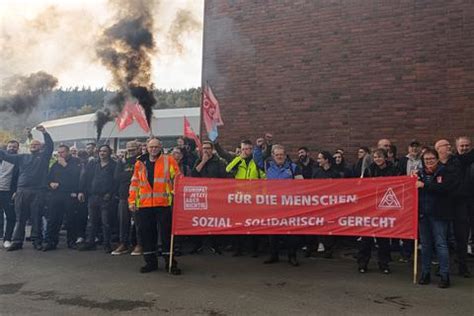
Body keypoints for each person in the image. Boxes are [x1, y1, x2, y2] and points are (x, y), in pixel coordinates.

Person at [129, 138, 181, 274]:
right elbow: (134, 184)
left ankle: (170, 263)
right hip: (145, 205)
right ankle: (150, 262)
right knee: (147, 235)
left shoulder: (168, 160)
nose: (153, 149)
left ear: (160, 147)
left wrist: (175, 193)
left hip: (163, 204)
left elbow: (177, 178)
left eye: (156, 147)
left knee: (166, 235)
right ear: (146, 147)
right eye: (151, 147)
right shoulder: (140, 163)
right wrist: (132, 201)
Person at [0, 125, 53, 251]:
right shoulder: (22, 157)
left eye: (37, 144)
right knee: (20, 218)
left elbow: (50, 146)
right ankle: (17, 241)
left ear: (41, 147)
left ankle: (37, 241)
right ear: (29, 147)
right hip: (22, 191)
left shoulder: (44, 157)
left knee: (36, 217)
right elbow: (5, 156)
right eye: (32, 144)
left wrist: (45, 133)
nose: (34, 145)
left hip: (38, 191)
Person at [254, 144, 303, 266]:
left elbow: (302, 184)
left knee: (291, 233)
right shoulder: (268, 165)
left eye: (281, 154)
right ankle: (273, 255)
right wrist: (258, 147)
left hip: (289, 205)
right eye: (277, 155)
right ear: (273, 156)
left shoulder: (293, 167)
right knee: (272, 232)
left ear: (285, 155)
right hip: (273, 204)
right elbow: (256, 159)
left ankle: (292, 256)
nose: (280, 157)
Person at [417, 148, 458, 288]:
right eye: (426, 159)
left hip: (439, 214)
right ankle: (425, 273)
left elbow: (445, 188)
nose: (429, 162)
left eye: (431, 159)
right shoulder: (419, 174)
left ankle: (444, 275)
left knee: (441, 244)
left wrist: (424, 185)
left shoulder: (445, 171)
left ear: (437, 159)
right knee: (425, 245)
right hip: (423, 214)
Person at [357, 148, 399, 274]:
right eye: (375, 157)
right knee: (366, 238)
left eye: (380, 156)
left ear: (385, 157)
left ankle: (384, 264)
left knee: (384, 239)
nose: (377, 159)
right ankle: (362, 263)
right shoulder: (369, 170)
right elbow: (363, 187)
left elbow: (399, 184)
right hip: (370, 207)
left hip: (386, 207)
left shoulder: (394, 169)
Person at [226, 139, 265, 257]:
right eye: (243, 149)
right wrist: (239, 158)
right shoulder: (238, 161)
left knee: (254, 225)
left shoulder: (256, 162)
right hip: (240, 199)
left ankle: (255, 249)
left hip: (253, 199)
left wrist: (261, 196)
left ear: (251, 149)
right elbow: (227, 169)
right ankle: (238, 249)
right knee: (238, 225)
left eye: (247, 149)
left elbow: (264, 178)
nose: (245, 151)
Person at [190, 141, 228, 254]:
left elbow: (224, 177)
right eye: (204, 148)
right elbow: (193, 175)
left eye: (208, 148)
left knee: (214, 221)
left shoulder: (219, 162)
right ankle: (198, 245)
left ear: (212, 150)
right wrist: (203, 162)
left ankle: (215, 245)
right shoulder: (198, 161)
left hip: (215, 196)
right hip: (201, 196)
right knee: (199, 221)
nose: (206, 150)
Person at [78, 145, 117, 253]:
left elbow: (116, 181)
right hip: (92, 196)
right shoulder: (93, 164)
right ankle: (90, 242)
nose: (102, 153)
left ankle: (107, 244)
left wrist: (110, 193)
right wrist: (81, 191)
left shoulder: (114, 165)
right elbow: (85, 177)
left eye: (105, 151)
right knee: (91, 221)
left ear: (109, 152)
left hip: (106, 197)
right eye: (100, 151)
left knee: (106, 222)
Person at [43, 145, 82, 251]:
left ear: (68, 152)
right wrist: (50, 183)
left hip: (70, 194)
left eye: (62, 152)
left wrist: (65, 165)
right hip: (56, 194)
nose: (60, 155)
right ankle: (51, 242)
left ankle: (71, 242)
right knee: (53, 219)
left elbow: (77, 176)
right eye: (58, 153)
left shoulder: (76, 162)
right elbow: (48, 178)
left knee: (71, 220)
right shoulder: (55, 164)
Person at [111, 141, 142, 256]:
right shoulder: (121, 161)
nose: (130, 151)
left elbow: (140, 176)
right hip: (124, 195)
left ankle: (139, 244)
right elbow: (117, 177)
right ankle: (123, 243)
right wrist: (130, 175)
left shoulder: (142, 160)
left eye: (133, 149)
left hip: (139, 196)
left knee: (138, 222)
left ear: (139, 148)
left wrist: (128, 175)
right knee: (123, 221)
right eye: (128, 149)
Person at [447, 137, 472, 278]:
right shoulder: (453, 161)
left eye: (467, 145)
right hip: (458, 204)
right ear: (457, 147)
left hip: (470, 201)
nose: (464, 148)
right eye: (462, 146)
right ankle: (462, 266)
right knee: (460, 237)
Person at [397, 140, 422, 262]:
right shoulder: (403, 161)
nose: (414, 149)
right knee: (407, 224)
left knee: (419, 225)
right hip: (406, 196)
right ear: (408, 149)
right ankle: (406, 253)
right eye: (412, 147)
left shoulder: (423, 160)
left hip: (421, 195)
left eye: (417, 147)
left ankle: (418, 249)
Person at [312, 151, 340, 258]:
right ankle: (321, 244)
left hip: (331, 205)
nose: (318, 160)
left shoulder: (335, 174)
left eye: (320, 158)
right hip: (319, 204)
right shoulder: (316, 173)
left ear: (326, 160)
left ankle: (330, 248)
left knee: (330, 225)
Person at [0, 140, 19, 249]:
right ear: (6, 148)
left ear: (18, 148)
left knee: (11, 216)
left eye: (14, 147)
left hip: (9, 192)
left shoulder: (19, 161)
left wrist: (16, 191)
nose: (12, 148)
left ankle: (7, 239)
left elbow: (21, 177)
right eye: (10, 146)